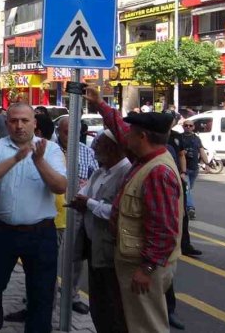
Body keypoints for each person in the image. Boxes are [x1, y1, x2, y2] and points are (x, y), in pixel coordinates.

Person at [85, 88, 183, 333]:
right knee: (131, 322)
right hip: (133, 261)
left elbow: (163, 228)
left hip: (144, 267)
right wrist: (100, 104)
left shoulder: (157, 171)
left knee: (145, 325)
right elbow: (120, 129)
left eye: (131, 133)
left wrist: (146, 268)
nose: (125, 136)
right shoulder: (146, 158)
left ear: (142, 136)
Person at [0, 103, 67, 333]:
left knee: (41, 293)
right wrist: (17, 158)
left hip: (40, 234)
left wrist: (39, 162)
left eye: (25, 120)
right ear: (7, 123)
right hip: (0, 231)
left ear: (34, 123)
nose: (19, 126)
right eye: (14, 121)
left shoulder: (50, 149)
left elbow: (60, 186)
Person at [70, 129, 131, 333]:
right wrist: (81, 201)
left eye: (99, 144)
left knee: (112, 304)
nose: (94, 148)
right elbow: (83, 193)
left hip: (110, 252)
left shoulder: (126, 173)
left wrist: (89, 204)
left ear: (113, 148)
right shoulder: (100, 171)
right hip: (94, 246)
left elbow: (119, 212)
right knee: (98, 304)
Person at [56, 115, 99, 314]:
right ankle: (44, 293)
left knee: (75, 256)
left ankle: (72, 294)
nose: (70, 136)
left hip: (76, 209)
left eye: (75, 132)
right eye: (66, 132)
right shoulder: (50, 149)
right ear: (58, 132)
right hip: (54, 210)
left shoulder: (87, 151)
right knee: (49, 256)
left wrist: (87, 184)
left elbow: (96, 176)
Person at [179, 121, 203, 220]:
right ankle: (190, 208)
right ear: (183, 127)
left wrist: (207, 163)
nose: (188, 127)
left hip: (194, 169)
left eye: (190, 125)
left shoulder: (196, 138)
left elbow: (201, 150)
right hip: (184, 169)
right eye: (186, 125)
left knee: (188, 189)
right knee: (187, 189)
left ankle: (183, 205)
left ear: (193, 127)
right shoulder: (179, 137)